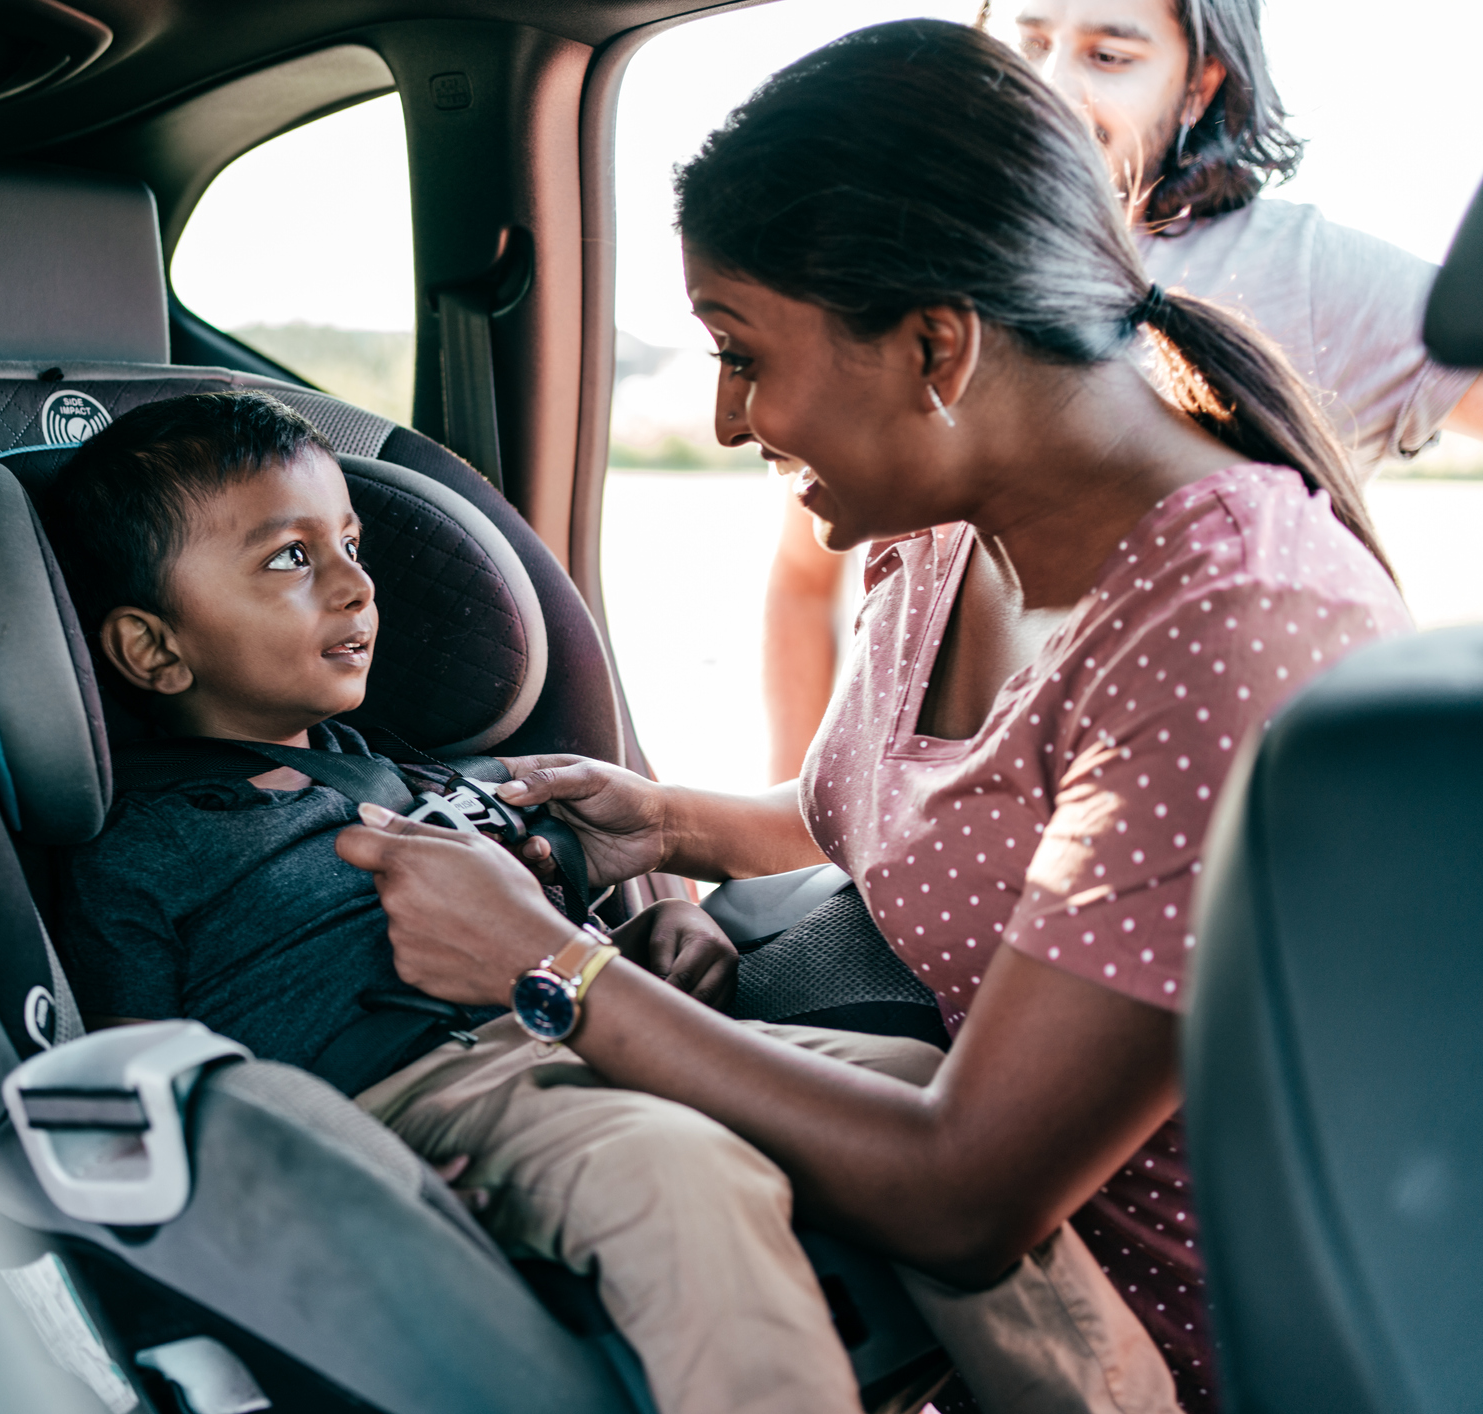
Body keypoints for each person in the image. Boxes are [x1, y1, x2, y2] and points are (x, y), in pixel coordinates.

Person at [334, 20, 1409, 1414]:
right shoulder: (944, 534)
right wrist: (666, 821)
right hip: (959, 1319)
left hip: (1213, 1357)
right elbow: (940, 819)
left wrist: (551, 971)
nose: (727, 419)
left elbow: (969, 1192)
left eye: (741, 350)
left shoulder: (1226, 630)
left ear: (934, 348)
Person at [41, 389, 952, 1414]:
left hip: (574, 1042)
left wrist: (661, 926)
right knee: (675, 1170)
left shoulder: (419, 779)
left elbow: (560, 941)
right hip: (400, 1111)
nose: (353, 585)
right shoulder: (139, 854)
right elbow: (152, 1107)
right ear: (154, 649)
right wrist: (360, 1193)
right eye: (290, 558)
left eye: (349, 541)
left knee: (910, 1086)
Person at [759, 0, 1482, 784]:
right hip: (951, 862)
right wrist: (795, 848)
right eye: (1029, 42)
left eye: (1109, 57)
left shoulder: (1314, 276)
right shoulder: (922, 260)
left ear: (1200, 86)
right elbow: (805, 579)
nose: (1049, 87)